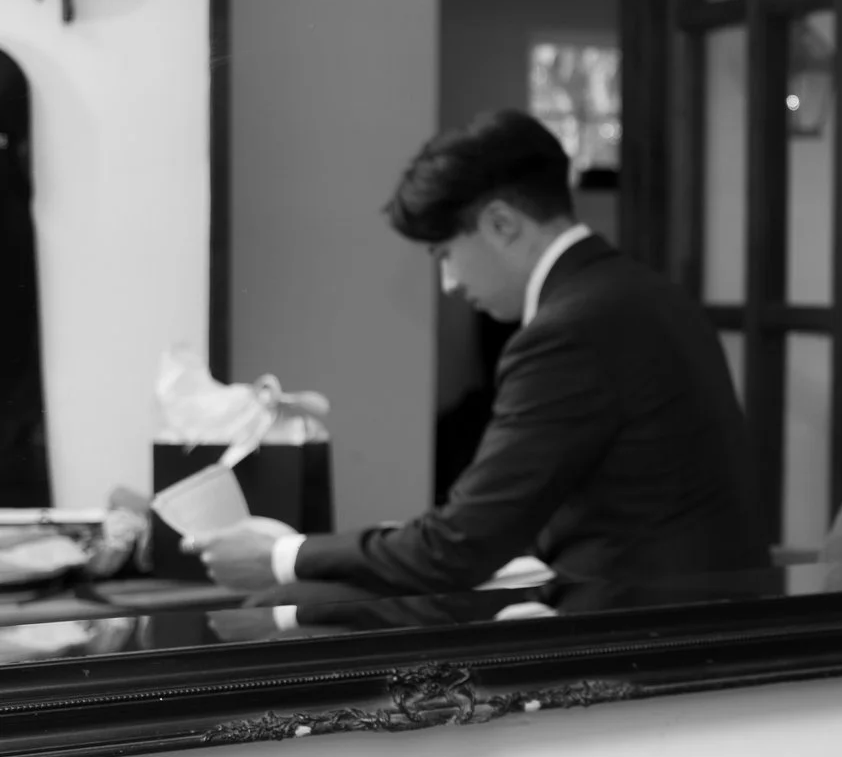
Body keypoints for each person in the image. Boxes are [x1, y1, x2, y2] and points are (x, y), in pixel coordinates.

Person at [194, 110, 766, 599]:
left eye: (444, 254)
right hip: (709, 612)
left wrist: (282, 555)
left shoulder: (568, 330)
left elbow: (459, 547)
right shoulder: (648, 293)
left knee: (301, 609)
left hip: (642, 636)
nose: (448, 283)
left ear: (501, 224)